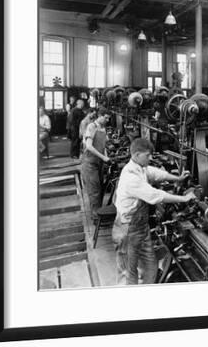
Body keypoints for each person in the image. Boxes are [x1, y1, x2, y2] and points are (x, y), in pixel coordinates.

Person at [112, 138, 197, 285]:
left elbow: (155, 174)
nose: (150, 158)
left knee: (151, 266)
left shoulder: (140, 167)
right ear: (137, 155)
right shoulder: (131, 176)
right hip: (128, 230)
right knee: (129, 273)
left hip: (141, 228)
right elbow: (156, 196)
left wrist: (177, 178)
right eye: (147, 155)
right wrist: (184, 199)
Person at [81, 107, 111, 216]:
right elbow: (89, 146)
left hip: (99, 163)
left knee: (100, 188)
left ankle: (98, 213)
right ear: (100, 116)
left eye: (108, 118)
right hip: (90, 163)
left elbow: (104, 146)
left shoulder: (103, 128)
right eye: (106, 118)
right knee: (94, 191)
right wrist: (104, 158)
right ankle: (95, 216)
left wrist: (106, 158)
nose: (107, 120)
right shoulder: (91, 126)